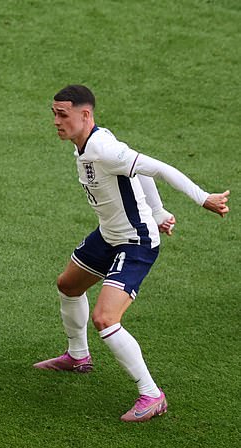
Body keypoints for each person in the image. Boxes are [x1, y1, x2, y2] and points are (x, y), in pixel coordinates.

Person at [34, 84, 230, 422]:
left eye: (62, 114)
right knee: (68, 285)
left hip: (136, 242)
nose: (56, 121)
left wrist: (203, 198)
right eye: (54, 113)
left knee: (105, 319)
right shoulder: (85, 145)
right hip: (109, 235)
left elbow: (158, 168)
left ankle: (151, 394)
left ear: (85, 115)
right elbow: (137, 170)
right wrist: (157, 210)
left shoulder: (103, 148)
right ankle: (78, 356)